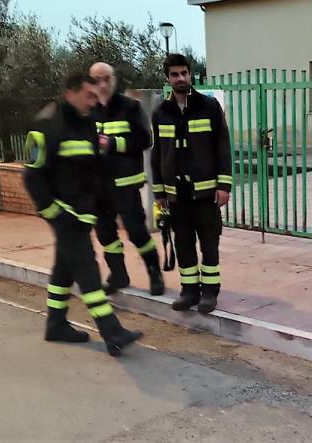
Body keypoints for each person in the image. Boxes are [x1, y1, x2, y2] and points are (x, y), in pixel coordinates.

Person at [23, 72, 143, 356]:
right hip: (65, 216)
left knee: (64, 269)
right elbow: (33, 177)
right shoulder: (48, 124)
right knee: (88, 272)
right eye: (89, 95)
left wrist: (103, 202)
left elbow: (93, 169)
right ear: (71, 92)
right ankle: (112, 332)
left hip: (83, 214)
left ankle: (55, 324)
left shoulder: (88, 123)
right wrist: (55, 214)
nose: (94, 100)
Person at [150, 54, 232, 313]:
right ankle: (189, 291)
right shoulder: (161, 112)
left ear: (190, 74)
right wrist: (159, 192)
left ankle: (209, 292)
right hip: (176, 194)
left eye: (184, 73)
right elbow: (156, 154)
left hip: (206, 192)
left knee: (209, 242)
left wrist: (224, 185)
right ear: (167, 78)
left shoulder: (209, 106)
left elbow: (223, 147)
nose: (180, 78)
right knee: (183, 242)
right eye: (174, 74)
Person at [88, 62, 164, 296]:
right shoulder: (87, 110)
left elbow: (144, 140)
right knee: (105, 233)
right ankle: (118, 275)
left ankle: (154, 274)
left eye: (106, 79)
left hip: (125, 184)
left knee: (137, 232)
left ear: (114, 79)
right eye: (97, 79)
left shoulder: (130, 107)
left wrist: (113, 144)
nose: (102, 84)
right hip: (98, 186)